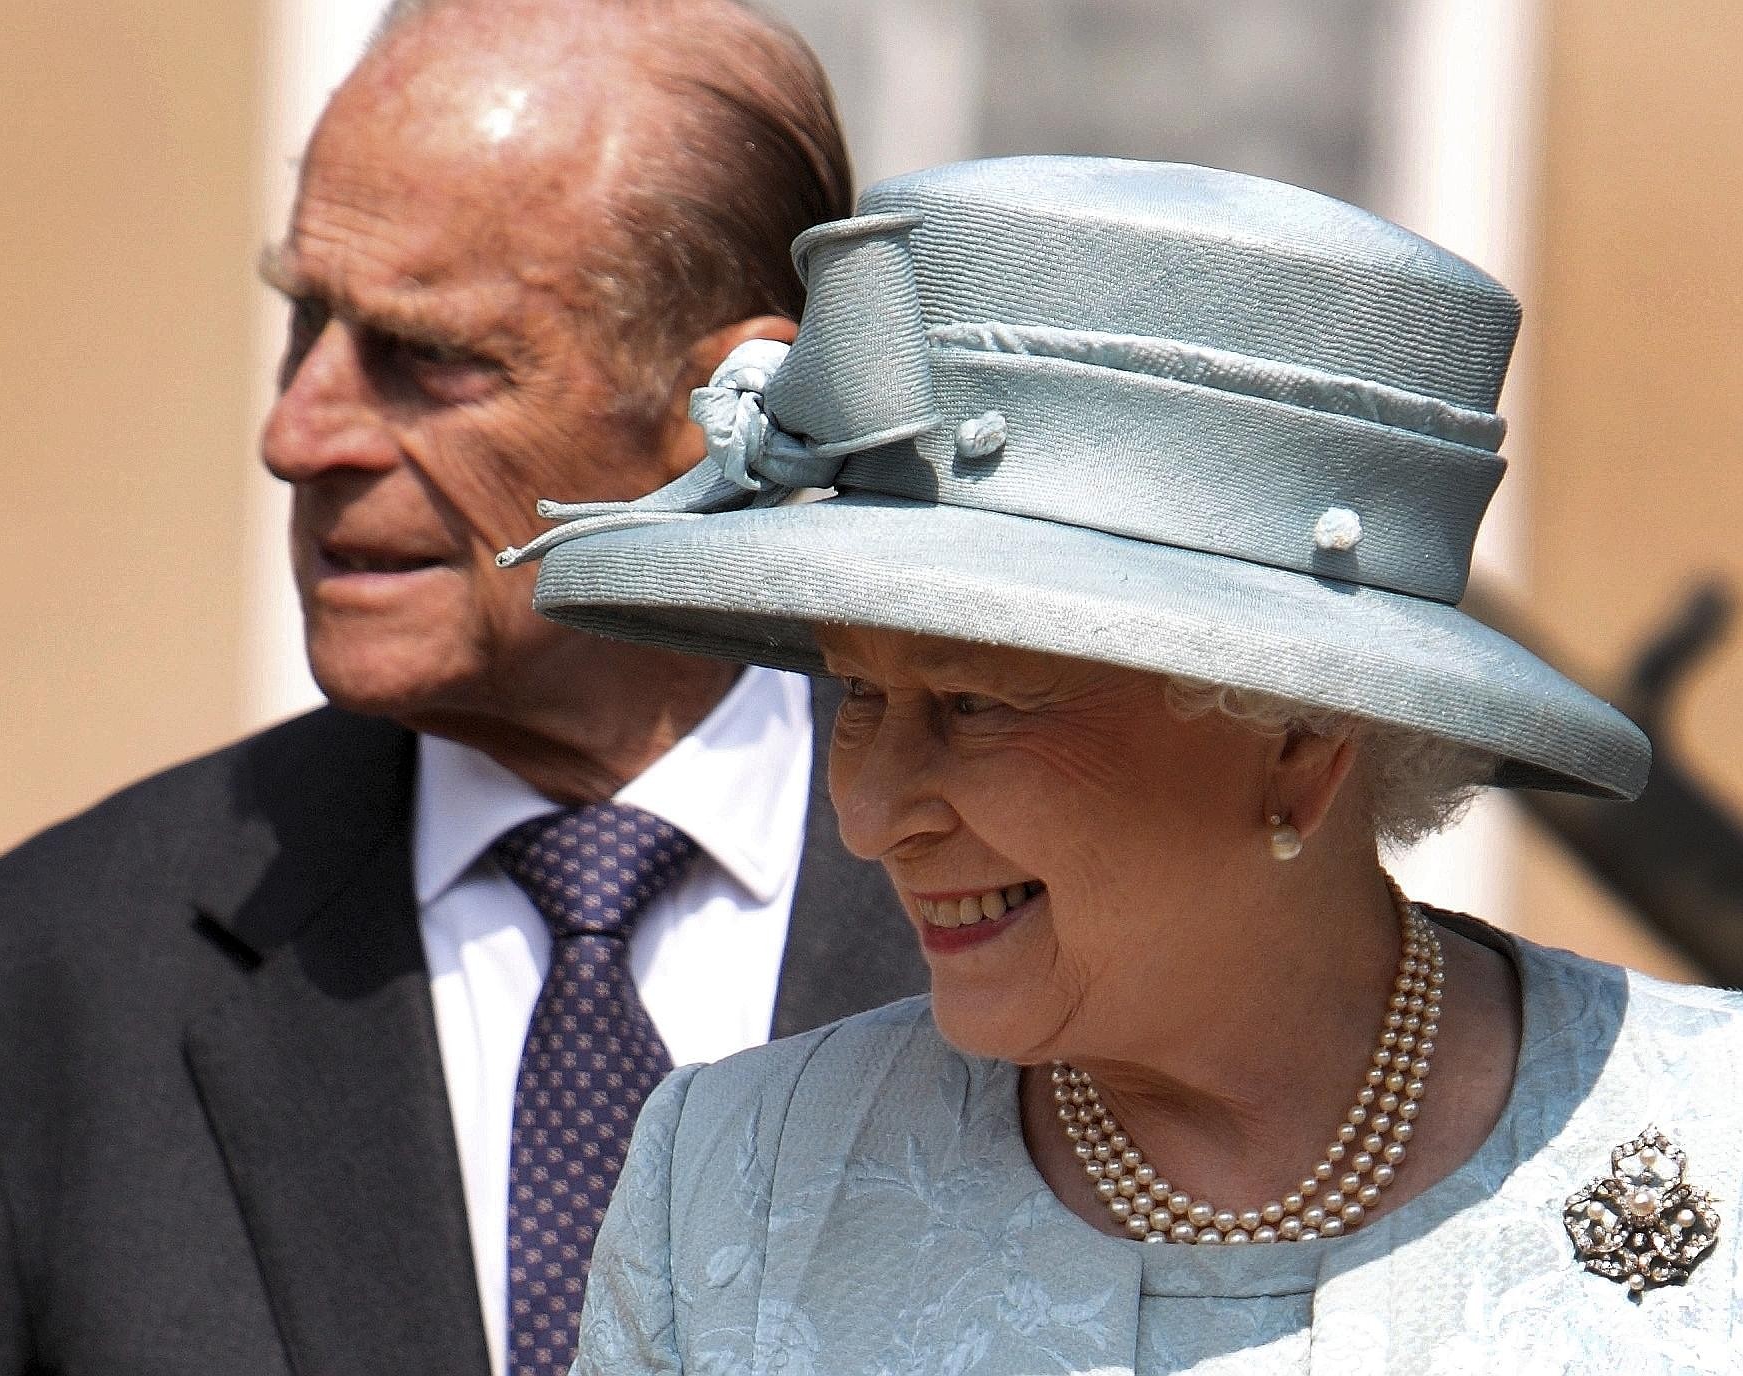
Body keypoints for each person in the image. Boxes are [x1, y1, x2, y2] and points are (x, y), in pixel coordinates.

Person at [514, 157, 1743, 1372]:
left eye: (970, 702)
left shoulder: (1712, 1130)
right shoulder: (737, 1181)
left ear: (1299, 742)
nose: (869, 813)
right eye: (857, 695)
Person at [0, 3, 924, 1374]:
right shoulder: (31, 998)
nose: (298, 433)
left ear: (723, 403)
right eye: (308, 323)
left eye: (431, 357)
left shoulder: (1046, 928)